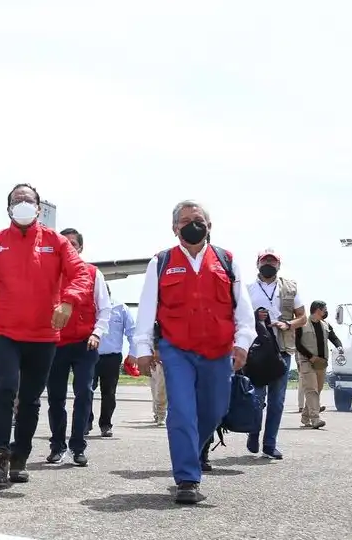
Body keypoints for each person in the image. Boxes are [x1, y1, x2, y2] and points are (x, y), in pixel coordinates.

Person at [134, 199, 255, 504]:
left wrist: (242, 342)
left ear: (209, 226)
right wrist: (142, 348)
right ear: (175, 228)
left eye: (198, 219)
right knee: (182, 411)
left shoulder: (227, 260)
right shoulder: (160, 261)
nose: (192, 224)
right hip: (177, 349)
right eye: (185, 220)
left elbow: (243, 307)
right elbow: (147, 307)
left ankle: (190, 450)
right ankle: (188, 478)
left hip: (217, 350)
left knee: (214, 411)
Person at [0, 183, 92, 485]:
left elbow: (81, 274)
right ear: (8, 207)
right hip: (5, 331)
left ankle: (19, 455)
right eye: (16, 199)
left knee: (31, 398)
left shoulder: (57, 242)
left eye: (28, 199)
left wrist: (67, 301)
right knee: (5, 387)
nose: (22, 203)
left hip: (43, 335)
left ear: (38, 207)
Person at [46, 228, 111, 466]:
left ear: (81, 249)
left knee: (84, 392)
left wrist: (96, 333)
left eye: (74, 244)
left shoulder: (93, 273)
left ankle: (78, 446)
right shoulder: (48, 273)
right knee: (55, 397)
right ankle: (57, 445)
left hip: (85, 343)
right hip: (55, 344)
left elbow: (105, 309)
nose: (69, 247)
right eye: (65, 243)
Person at [246, 248, 306, 459]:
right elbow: (239, 317)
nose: (268, 264)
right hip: (257, 349)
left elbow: (303, 318)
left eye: (272, 261)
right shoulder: (248, 289)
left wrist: (287, 323)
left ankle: (270, 444)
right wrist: (255, 316)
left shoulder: (290, 288)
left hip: (282, 349)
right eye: (265, 261)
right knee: (256, 397)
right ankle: (253, 433)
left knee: (277, 400)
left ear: (279, 265)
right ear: (258, 264)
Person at [90, 297, 136, 436]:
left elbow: (132, 331)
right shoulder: (89, 305)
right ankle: (85, 422)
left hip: (112, 357)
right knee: (85, 391)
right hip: (90, 355)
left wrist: (133, 353)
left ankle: (106, 424)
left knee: (109, 393)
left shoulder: (121, 308)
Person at [295, 300, 344, 429]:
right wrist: (310, 357)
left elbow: (333, 337)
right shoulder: (302, 324)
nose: (326, 312)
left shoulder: (326, 324)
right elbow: (297, 344)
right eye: (324, 309)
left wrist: (339, 346)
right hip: (307, 361)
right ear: (318, 310)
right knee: (311, 389)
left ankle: (306, 416)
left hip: (321, 363)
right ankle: (315, 418)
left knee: (318, 389)